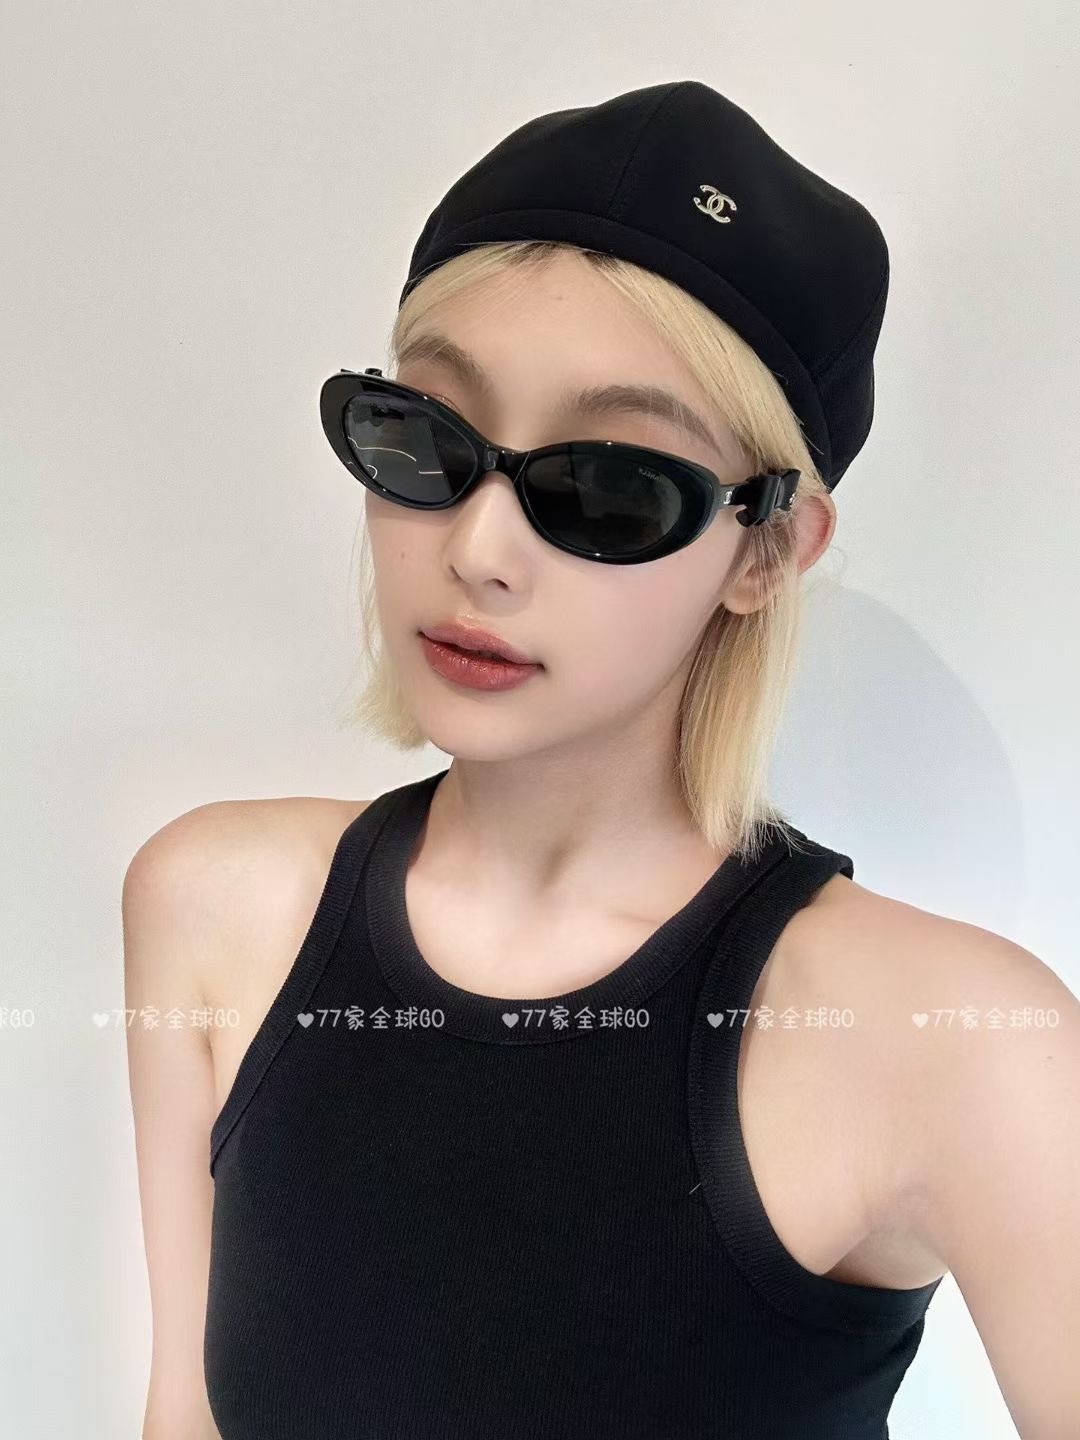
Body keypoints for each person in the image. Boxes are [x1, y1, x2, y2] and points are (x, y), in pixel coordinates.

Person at [123, 82, 1080, 1439]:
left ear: (767, 550)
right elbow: (183, 1416)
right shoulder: (213, 906)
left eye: (612, 486)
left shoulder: (959, 1044)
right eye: (425, 439)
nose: (478, 550)